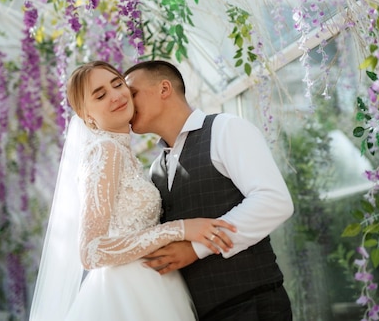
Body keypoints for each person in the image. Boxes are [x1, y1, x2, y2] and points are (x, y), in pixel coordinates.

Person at [29, 61, 236, 321]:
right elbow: (91, 252)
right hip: (127, 290)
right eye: (100, 95)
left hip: (156, 282)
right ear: (87, 116)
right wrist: (180, 228)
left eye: (117, 84)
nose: (116, 95)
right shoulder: (106, 150)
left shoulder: (126, 155)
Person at [124, 60, 295, 321]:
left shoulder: (226, 129)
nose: (125, 102)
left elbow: (274, 202)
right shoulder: (156, 170)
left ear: (164, 88)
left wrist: (195, 248)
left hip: (253, 305)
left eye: (132, 93)